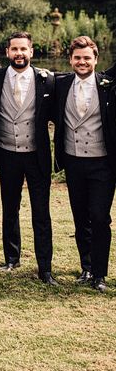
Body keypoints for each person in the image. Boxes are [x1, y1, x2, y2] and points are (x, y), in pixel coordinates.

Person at [0, 32, 57, 285]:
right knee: (10, 208)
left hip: (36, 155)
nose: (19, 54)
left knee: (41, 212)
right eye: (14, 49)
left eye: (23, 49)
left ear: (31, 51)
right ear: (7, 52)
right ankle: (11, 258)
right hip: (7, 154)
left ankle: (45, 269)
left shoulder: (48, 79)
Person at [53, 36, 116, 292]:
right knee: (81, 219)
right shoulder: (59, 84)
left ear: (96, 60)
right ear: (70, 60)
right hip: (73, 162)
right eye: (77, 58)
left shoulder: (108, 84)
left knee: (100, 217)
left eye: (87, 58)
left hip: (102, 164)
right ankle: (86, 267)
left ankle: (100, 275)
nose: (82, 62)